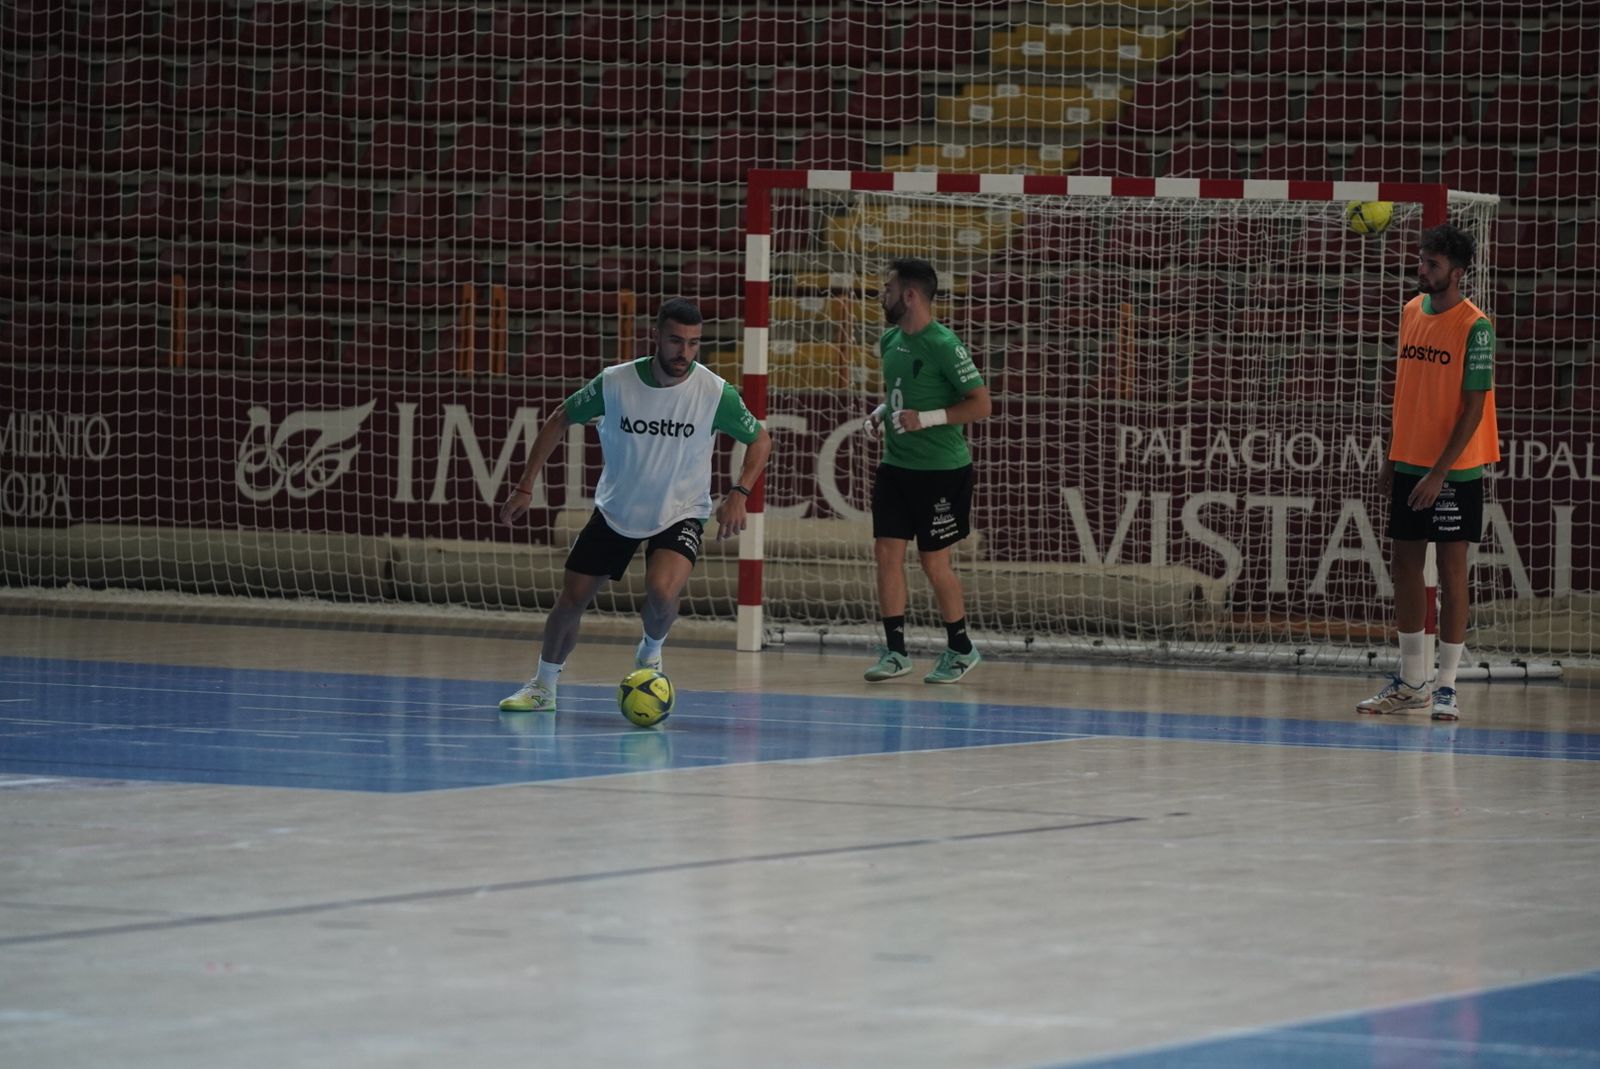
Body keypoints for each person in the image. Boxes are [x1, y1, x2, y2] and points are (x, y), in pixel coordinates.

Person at [497, 298, 772, 713]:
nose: (685, 353)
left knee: (662, 593)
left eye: (695, 344)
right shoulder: (615, 382)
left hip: (681, 511)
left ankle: (650, 652)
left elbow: (760, 438)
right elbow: (559, 418)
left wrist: (740, 492)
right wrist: (524, 485)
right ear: (656, 337)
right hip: (616, 511)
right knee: (572, 600)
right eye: (677, 341)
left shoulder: (714, 392)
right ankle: (542, 687)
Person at [1357, 224, 1498, 722]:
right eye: (1422, 260)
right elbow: (1406, 394)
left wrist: (1438, 473)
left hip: (1454, 470)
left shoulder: (1475, 326)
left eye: (1433, 264)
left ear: (1457, 273)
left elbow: (1473, 411)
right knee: (1405, 567)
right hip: (1410, 462)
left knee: (1454, 574)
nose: (1422, 269)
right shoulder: (1411, 311)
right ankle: (1412, 681)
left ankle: (1446, 686)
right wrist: (1393, 458)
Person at [861, 257, 992, 684]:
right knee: (886, 554)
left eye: (889, 288)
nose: (884, 295)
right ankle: (896, 651)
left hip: (940, 470)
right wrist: (882, 412)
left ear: (911, 295)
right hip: (896, 466)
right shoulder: (889, 341)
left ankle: (960, 647)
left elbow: (981, 404)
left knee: (934, 563)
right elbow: (902, 392)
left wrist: (928, 419)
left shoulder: (944, 344)